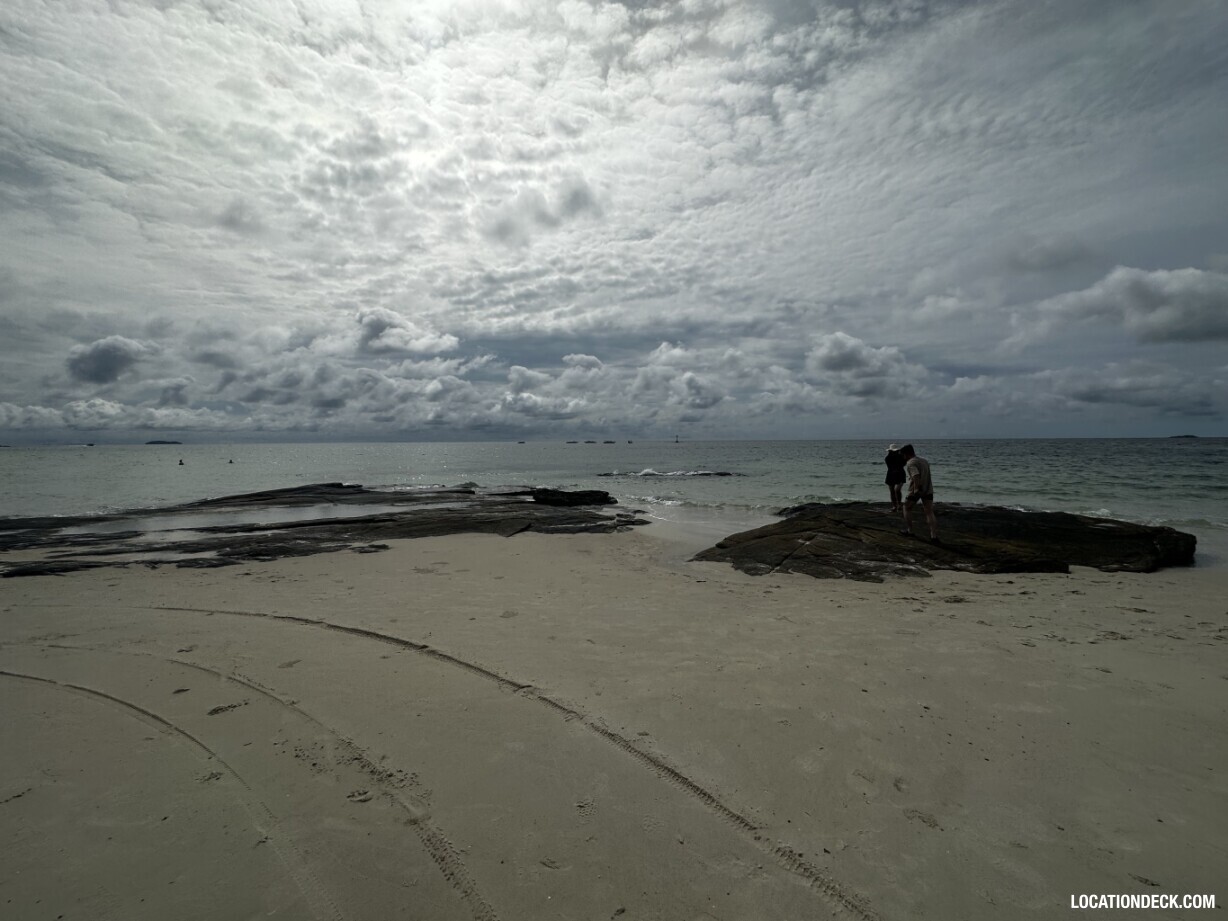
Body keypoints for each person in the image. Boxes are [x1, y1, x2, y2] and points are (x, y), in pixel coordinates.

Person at [899, 444, 938, 541]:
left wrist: (916, 489)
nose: (903, 457)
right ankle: (933, 535)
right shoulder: (924, 461)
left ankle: (910, 530)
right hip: (928, 489)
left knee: (906, 507)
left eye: (903, 455)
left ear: (906, 454)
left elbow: (916, 475)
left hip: (916, 490)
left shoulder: (911, 463)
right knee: (929, 512)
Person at [884, 443, 907, 512]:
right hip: (892, 473)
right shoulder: (888, 458)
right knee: (892, 491)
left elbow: (904, 463)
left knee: (897, 490)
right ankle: (895, 505)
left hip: (899, 473)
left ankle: (899, 505)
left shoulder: (900, 457)